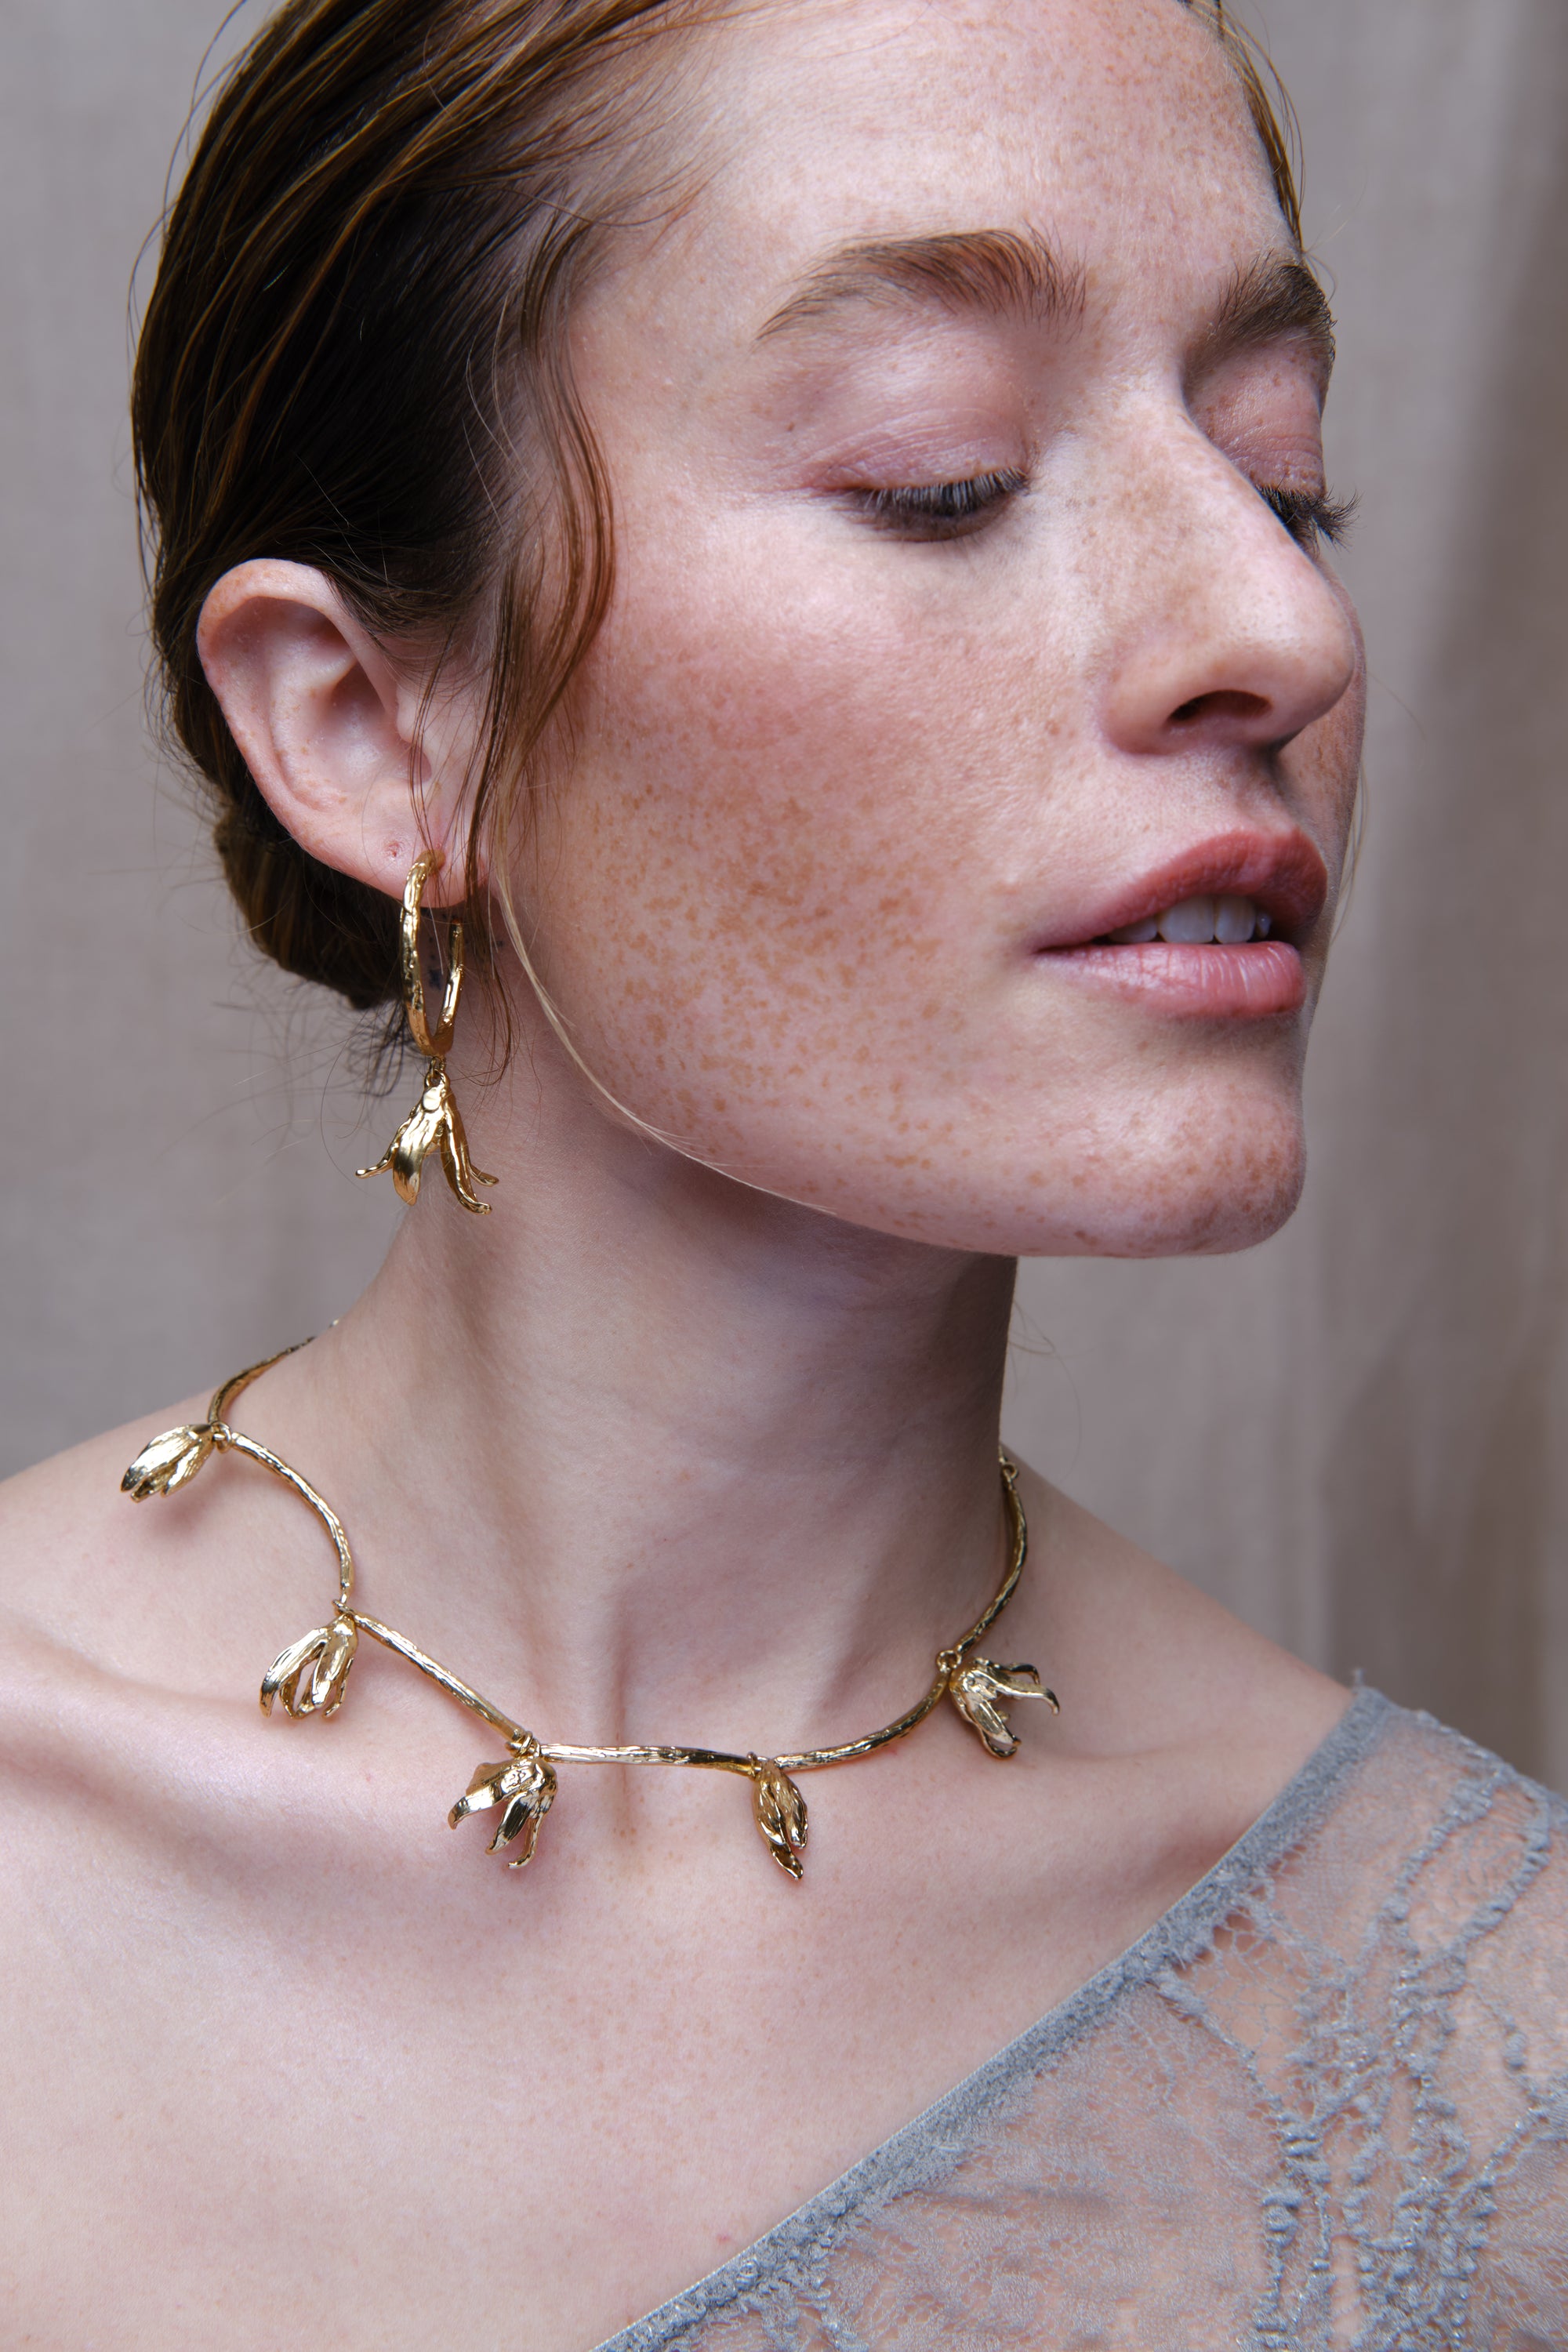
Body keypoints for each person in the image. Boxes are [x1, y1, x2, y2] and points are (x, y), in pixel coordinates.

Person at [2, 0, 1563, 2343]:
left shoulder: (1471, 2056)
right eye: (948, 477)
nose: (1286, 624)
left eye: (1281, 471)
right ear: (372, 725)